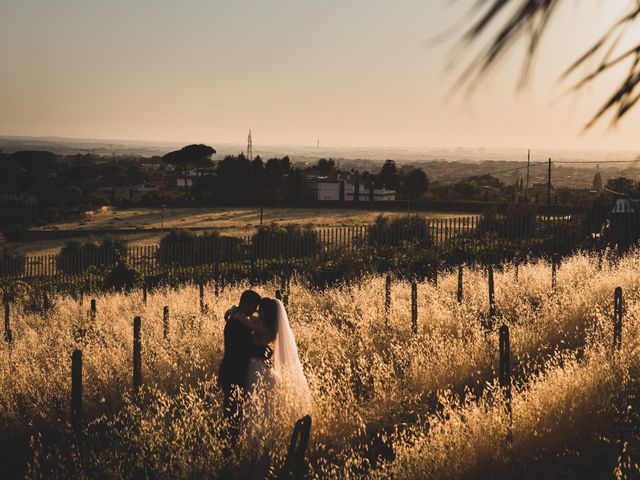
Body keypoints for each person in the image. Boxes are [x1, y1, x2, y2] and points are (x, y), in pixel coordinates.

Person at [229, 297, 312, 427]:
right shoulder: (263, 325)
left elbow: (242, 319)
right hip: (256, 367)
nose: (258, 312)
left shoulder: (265, 329)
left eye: (261, 311)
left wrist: (234, 310)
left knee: (256, 405)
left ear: (268, 314)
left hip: (257, 369)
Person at [217, 289, 264, 446]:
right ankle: (227, 446)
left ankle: (230, 443)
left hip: (234, 372)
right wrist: (268, 352)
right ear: (246, 303)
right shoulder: (237, 323)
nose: (255, 311)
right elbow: (248, 348)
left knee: (234, 412)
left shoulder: (239, 319)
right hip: (233, 373)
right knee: (232, 413)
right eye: (254, 307)